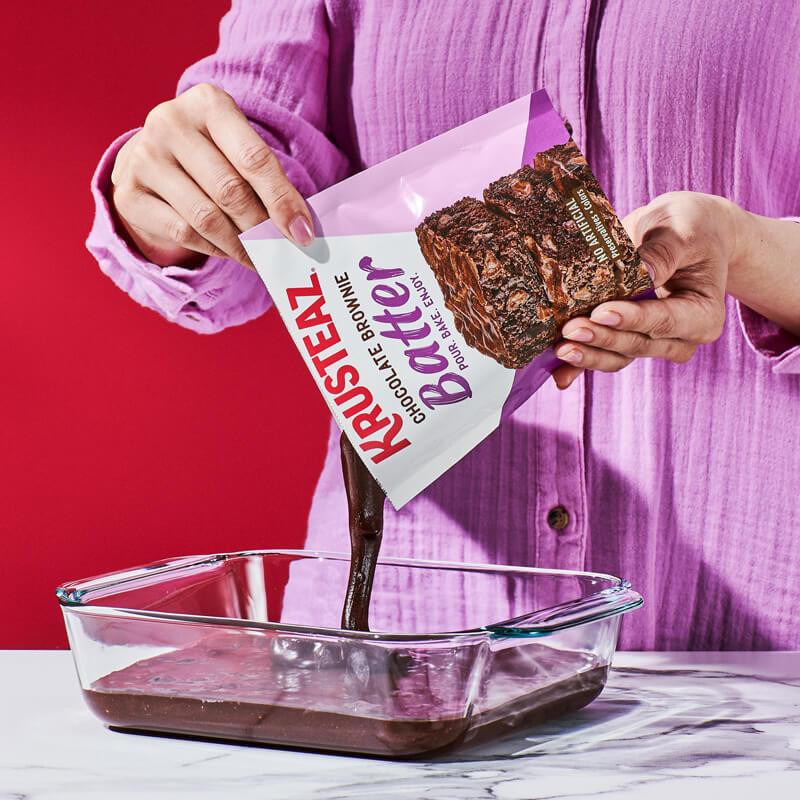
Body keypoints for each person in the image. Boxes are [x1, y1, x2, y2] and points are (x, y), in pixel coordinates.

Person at [87, 0, 800, 650]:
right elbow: (259, 212)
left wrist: (746, 250)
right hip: (402, 636)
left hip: (749, 657)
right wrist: (172, 192)